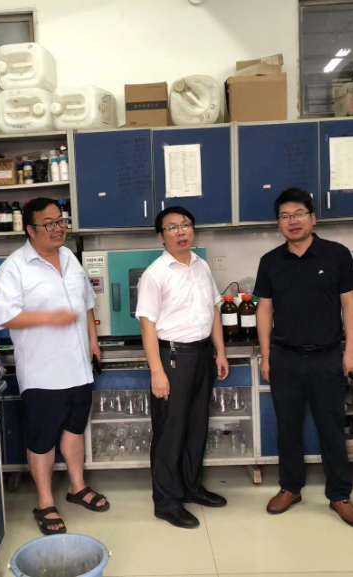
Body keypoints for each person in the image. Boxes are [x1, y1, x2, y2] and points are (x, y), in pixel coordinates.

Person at [0, 197, 108, 536]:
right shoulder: (14, 267)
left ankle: (77, 486)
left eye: (61, 221)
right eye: (50, 223)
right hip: (43, 370)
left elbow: (86, 302)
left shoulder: (69, 257)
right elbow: (4, 316)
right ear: (30, 229)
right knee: (42, 439)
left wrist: (93, 340)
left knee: (74, 428)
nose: (58, 229)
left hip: (78, 366)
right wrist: (49, 318)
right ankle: (44, 502)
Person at [254, 187, 353, 527]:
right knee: (287, 428)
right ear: (278, 223)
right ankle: (290, 487)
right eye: (285, 216)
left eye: (299, 213)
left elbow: (349, 304)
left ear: (313, 218)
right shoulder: (270, 261)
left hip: (327, 358)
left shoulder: (337, 255)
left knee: (331, 428)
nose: (293, 221)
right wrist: (266, 356)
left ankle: (340, 494)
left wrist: (351, 352)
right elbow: (264, 310)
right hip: (284, 358)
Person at [135, 206, 229, 529]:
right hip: (172, 358)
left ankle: (191, 487)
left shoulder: (201, 265)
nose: (181, 231)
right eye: (172, 227)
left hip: (202, 355)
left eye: (186, 225)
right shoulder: (155, 274)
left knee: (196, 426)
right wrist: (157, 371)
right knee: (170, 432)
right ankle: (166, 502)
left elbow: (213, 311)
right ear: (161, 236)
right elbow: (147, 326)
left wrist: (220, 352)